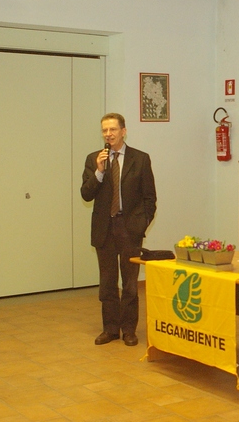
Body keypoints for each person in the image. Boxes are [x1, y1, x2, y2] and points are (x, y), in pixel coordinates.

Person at [81, 113, 157, 346]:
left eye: (113, 130)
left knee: (131, 284)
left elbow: (149, 198)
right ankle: (110, 329)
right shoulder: (94, 159)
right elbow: (86, 194)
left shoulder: (140, 159)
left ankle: (129, 330)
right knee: (107, 282)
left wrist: (140, 224)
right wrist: (99, 171)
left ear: (123, 131)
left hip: (129, 228)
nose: (108, 134)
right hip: (104, 228)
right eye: (105, 130)